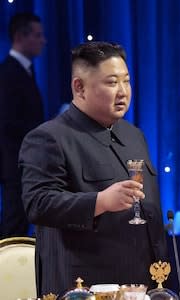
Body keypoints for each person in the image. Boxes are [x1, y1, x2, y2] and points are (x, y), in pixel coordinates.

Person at [19, 42, 168, 296]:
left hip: (142, 280)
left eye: (127, 81)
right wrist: (100, 201)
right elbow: (38, 203)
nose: (123, 91)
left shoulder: (133, 135)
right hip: (84, 284)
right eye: (111, 83)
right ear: (79, 87)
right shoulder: (49, 137)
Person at [0, 12, 46, 238]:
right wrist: (44, 131)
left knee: (18, 221)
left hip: (23, 162)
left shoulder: (23, 71)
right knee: (14, 222)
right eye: (37, 35)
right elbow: (8, 122)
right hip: (15, 162)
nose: (43, 40)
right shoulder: (8, 73)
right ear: (20, 36)